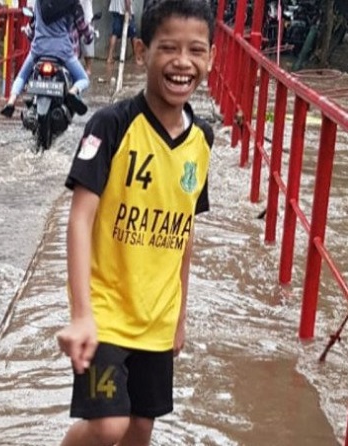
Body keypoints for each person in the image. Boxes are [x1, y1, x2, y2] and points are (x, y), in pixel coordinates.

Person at [56, 1, 215, 445]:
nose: (183, 62)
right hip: (106, 311)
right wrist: (81, 314)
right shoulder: (111, 125)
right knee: (109, 425)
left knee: (141, 426)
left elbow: (185, 229)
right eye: (169, 48)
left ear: (211, 58)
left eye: (196, 50)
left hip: (158, 315)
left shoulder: (202, 139)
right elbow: (80, 218)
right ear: (142, 52)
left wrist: (180, 315)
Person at [0, 1, 93, 118]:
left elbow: (32, 26)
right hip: (63, 51)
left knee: (22, 76)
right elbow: (83, 26)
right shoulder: (73, 3)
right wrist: (89, 36)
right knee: (83, 78)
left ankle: (11, 102)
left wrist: (30, 34)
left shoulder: (39, 3)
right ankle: (72, 92)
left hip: (39, 49)